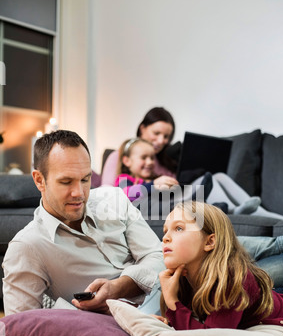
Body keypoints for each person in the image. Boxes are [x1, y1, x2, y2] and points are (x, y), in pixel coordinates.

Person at [2, 130, 165, 315]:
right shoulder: (27, 247)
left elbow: (158, 256)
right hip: (116, 333)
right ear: (40, 180)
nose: (79, 192)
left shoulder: (114, 198)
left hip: (173, 306)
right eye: (66, 181)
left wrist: (120, 287)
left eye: (85, 179)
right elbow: (18, 331)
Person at [101, 107, 280, 217]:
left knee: (218, 176)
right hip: (156, 203)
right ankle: (218, 205)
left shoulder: (164, 160)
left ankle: (253, 212)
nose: (162, 141)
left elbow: (173, 184)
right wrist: (153, 185)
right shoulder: (120, 159)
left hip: (173, 195)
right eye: (156, 133)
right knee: (194, 189)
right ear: (142, 128)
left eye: (166, 136)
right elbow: (110, 194)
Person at [158, 201, 283, 331]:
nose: (165, 238)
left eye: (178, 228)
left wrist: (172, 301)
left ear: (209, 242)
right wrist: (165, 322)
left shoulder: (231, 276)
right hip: (270, 297)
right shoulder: (181, 280)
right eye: (165, 231)